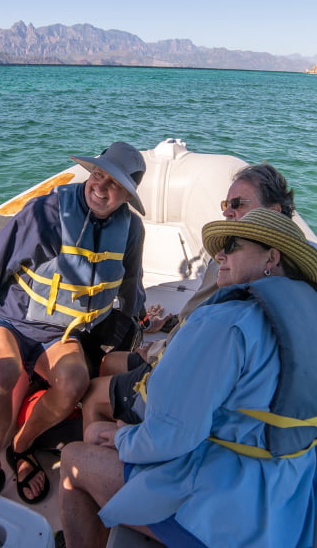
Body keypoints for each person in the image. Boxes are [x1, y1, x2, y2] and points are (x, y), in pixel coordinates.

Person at [59, 208, 317, 548]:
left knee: (75, 456)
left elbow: (172, 436)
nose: (220, 255)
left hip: (228, 513)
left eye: (232, 245)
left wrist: (124, 438)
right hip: (286, 499)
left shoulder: (225, 323)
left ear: (271, 258)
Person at [0, 142, 147, 504]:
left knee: (75, 382)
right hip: (10, 317)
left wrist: (136, 331)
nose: (101, 187)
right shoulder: (47, 212)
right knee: (1, 373)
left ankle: (21, 446)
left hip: (61, 331)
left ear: (127, 194)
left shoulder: (130, 230)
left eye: (115, 184)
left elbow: (129, 288)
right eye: (98, 175)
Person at [81, 162, 294, 429]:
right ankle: (124, 423)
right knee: (109, 361)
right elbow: (199, 319)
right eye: (225, 203)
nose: (228, 211)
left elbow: (203, 337)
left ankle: (115, 445)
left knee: (94, 392)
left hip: (188, 374)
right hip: (192, 357)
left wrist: (158, 350)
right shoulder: (282, 266)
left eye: (238, 203)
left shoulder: (241, 265)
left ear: (273, 212)